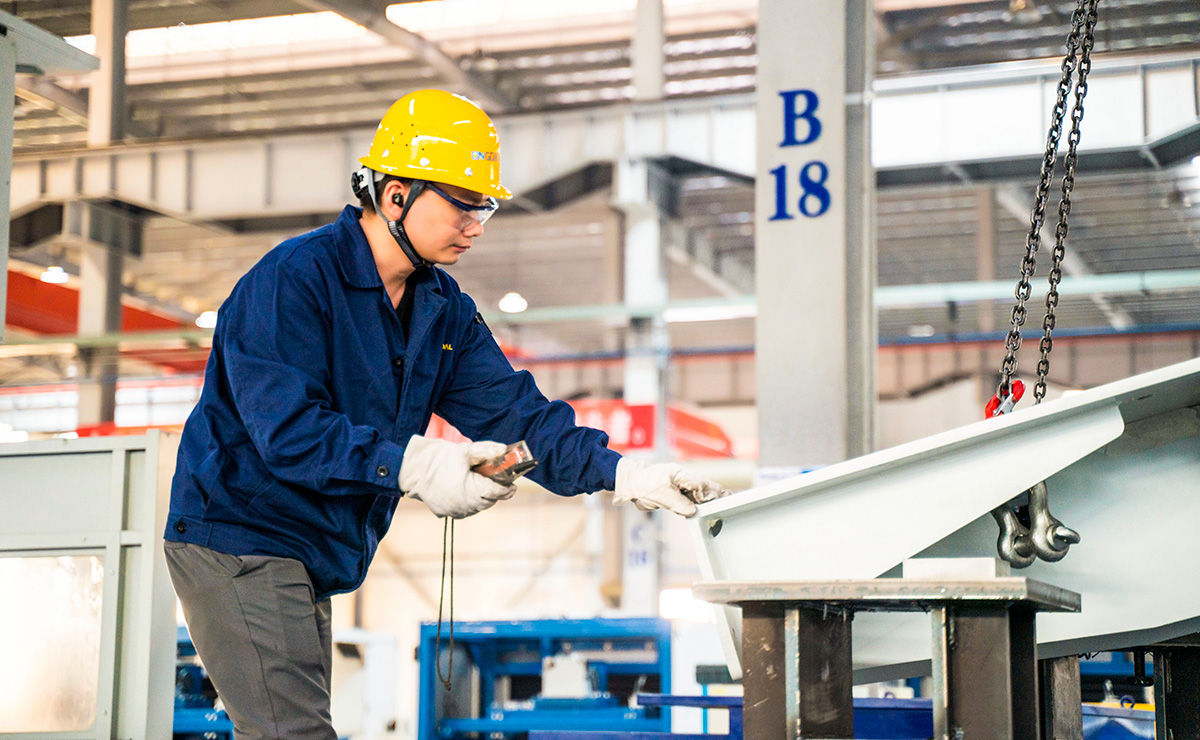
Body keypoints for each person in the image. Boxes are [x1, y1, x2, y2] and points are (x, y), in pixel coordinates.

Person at [162, 89, 726, 740]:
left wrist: (625, 474)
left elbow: (519, 416)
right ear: (395, 195)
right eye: (462, 203)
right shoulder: (293, 280)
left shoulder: (441, 309)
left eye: (484, 207)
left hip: (309, 549)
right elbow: (289, 433)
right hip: (238, 537)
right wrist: (419, 464)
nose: (476, 226)